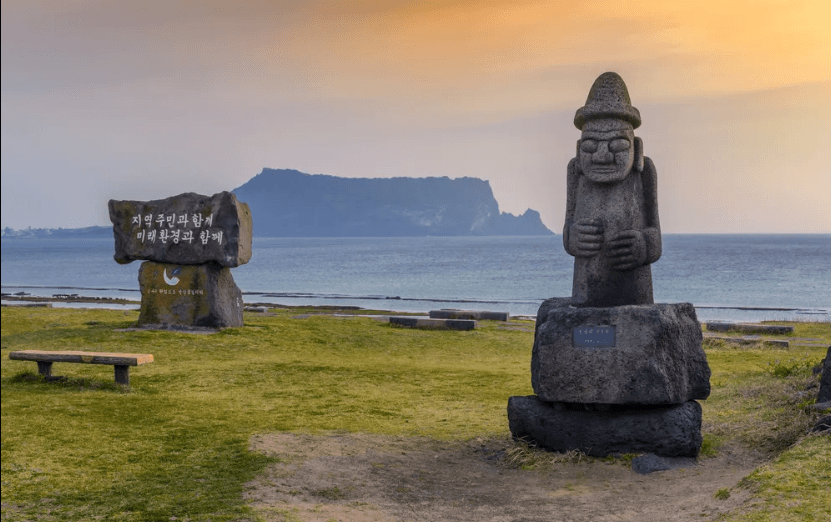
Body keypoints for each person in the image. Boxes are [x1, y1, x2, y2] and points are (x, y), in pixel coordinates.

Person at [563, 72, 661, 307]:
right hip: (585, 290)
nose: (603, 156)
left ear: (636, 148)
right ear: (578, 149)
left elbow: (655, 236)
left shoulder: (644, 171)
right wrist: (573, 238)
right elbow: (568, 227)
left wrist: (643, 245)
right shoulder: (575, 172)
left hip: (633, 291)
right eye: (590, 145)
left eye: (617, 144)